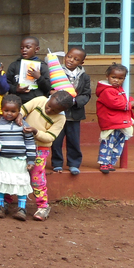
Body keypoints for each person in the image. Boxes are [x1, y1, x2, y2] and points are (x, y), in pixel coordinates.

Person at [21, 91, 73, 221]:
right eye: (49, 106)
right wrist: (19, 116)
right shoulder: (40, 100)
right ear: (49, 99)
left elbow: (51, 137)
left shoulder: (61, 119)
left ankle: (43, 206)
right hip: (22, 144)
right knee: (16, 172)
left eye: (54, 110)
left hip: (40, 148)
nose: (48, 110)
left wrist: (35, 132)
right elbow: (23, 109)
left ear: (62, 110)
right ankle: (8, 201)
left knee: (37, 177)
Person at [0, 95, 36, 221]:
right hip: (1, 160)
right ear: (1, 109)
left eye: (13, 111)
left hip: (19, 160)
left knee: (21, 183)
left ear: (19, 111)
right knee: (0, 182)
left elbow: (30, 143)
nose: (9, 114)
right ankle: (0, 206)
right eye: (6, 111)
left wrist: (31, 160)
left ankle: (21, 208)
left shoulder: (24, 126)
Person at [51, 47, 92, 175]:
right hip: (58, 113)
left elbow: (86, 95)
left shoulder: (84, 77)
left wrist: (74, 101)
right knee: (56, 140)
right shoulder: (56, 72)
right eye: (69, 56)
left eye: (76, 59)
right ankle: (57, 163)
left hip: (74, 114)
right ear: (65, 56)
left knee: (73, 140)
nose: (71, 60)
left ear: (81, 63)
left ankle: (74, 163)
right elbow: (49, 87)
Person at [96, 63, 134, 173]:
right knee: (108, 141)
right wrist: (129, 105)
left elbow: (125, 97)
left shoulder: (119, 89)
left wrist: (132, 102)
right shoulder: (107, 90)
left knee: (118, 143)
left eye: (120, 78)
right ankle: (104, 162)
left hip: (119, 121)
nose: (116, 80)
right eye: (113, 77)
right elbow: (114, 103)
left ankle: (111, 161)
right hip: (110, 121)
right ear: (107, 76)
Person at [7, 37, 52, 104]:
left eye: (28, 47)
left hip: (36, 103)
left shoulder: (42, 66)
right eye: (22, 48)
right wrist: (16, 89)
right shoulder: (14, 65)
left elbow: (48, 87)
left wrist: (39, 77)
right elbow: (7, 83)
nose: (24, 50)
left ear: (37, 49)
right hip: (18, 103)